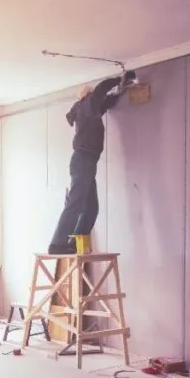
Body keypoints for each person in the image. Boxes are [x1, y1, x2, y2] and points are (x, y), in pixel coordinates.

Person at [48, 69, 136, 254]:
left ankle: (72, 243)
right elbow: (101, 90)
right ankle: (57, 244)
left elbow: (106, 102)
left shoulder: (88, 111)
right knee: (76, 203)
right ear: (86, 97)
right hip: (83, 160)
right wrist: (118, 79)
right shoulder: (86, 104)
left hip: (87, 161)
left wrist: (121, 89)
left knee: (91, 208)